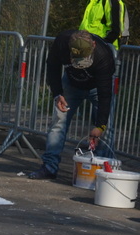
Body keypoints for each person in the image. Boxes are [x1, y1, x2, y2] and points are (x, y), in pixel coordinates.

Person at [25, 30, 115, 180]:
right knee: (58, 123)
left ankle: (103, 173)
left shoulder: (104, 56)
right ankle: (49, 167)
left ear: (93, 45)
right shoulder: (61, 42)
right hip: (70, 87)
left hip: (96, 89)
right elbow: (52, 67)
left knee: (107, 128)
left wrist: (100, 126)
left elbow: (105, 96)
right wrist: (57, 94)